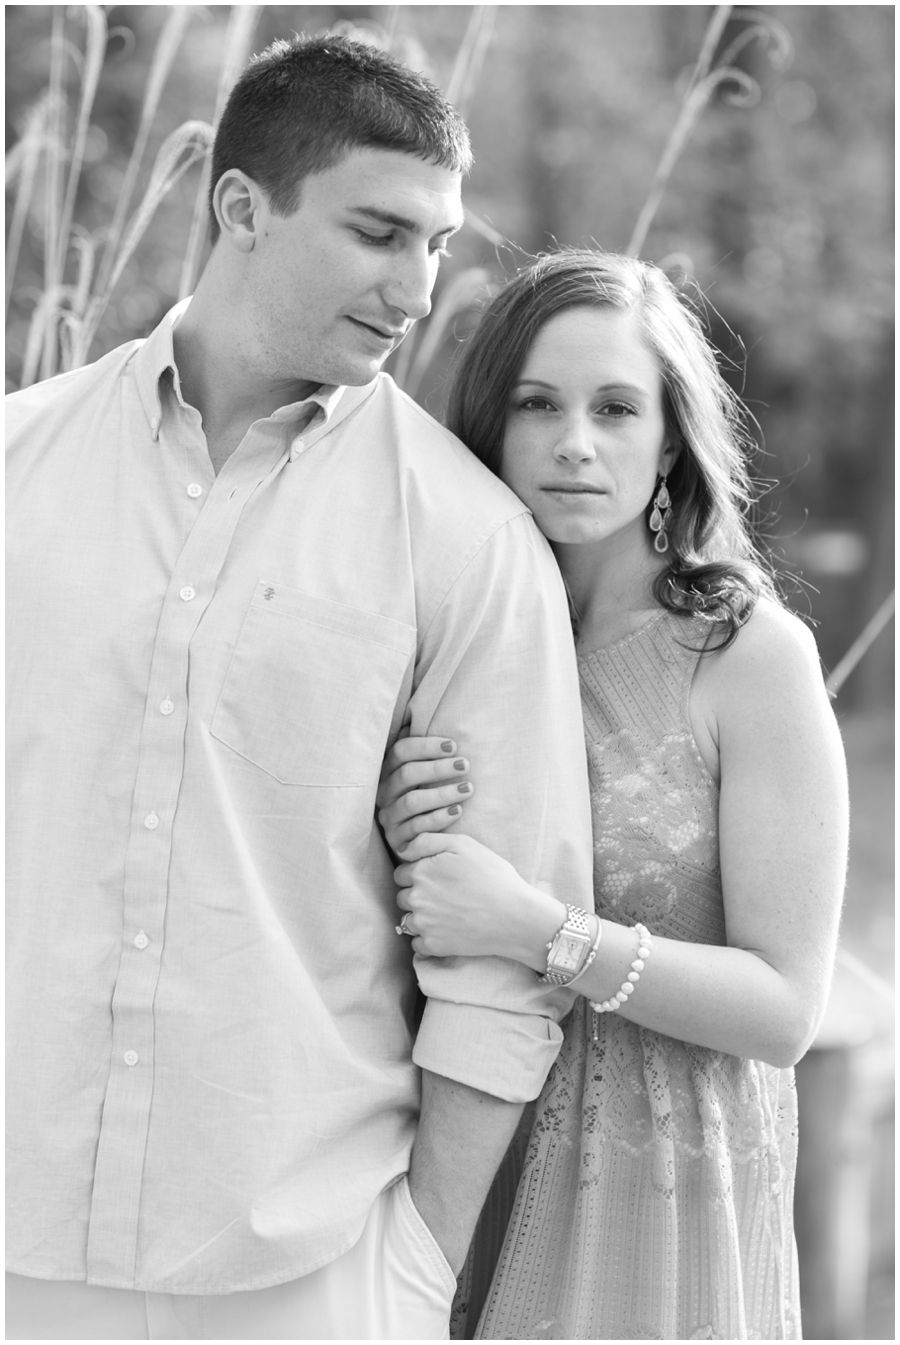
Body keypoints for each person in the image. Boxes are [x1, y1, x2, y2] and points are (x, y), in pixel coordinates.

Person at [5, 38, 595, 1341]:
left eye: (437, 245)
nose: (418, 288)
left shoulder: (468, 538)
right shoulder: (16, 468)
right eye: (381, 233)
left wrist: (416, 1270)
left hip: (305, 1273)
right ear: (240, 210)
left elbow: (508, 957)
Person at [377, 250, 849, 1339]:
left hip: (665, 1190)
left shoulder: (746, 657)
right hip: (462, 1151)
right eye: (538, 404)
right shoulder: (448, 640)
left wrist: (541, 930)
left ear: (671, 440)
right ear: (491, 423)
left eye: (616, 407)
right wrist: (398, 833)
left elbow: (786, 1010)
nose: (574, 442)